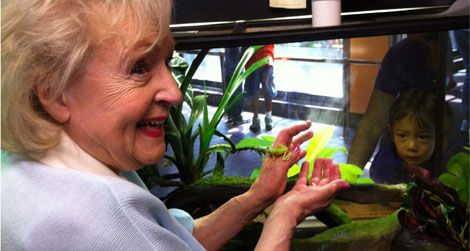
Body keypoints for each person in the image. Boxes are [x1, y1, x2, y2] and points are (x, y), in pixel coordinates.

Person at [1, 0, 349, 250]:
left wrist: (259, 197)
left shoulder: (46, 163)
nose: (173, 91)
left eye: (166, 61)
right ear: (54, 91)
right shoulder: (95, 219)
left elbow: (182, 239)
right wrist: (285, 216)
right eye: (139, 67)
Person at [347, 33, 442, 170]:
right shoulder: (403, 54)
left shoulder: (447, 42)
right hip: (396, 166)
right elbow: (372, 125)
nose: (411, 146)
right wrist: (347, 181)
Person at [369, 88, 452, 184]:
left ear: (439, 138)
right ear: (391, 134)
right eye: (402, 136)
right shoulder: (385, 163)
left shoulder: (443, 161)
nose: (411, 146)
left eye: (422, 137)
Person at [245, 44, 277, 133]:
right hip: (267, 59)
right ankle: (269, 120)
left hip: (252, 61)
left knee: (254, 92)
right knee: (267, 90)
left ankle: (256, 122)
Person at [223, 47, 250, 126]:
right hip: (235, 70)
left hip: (227, 69)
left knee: (229, 93)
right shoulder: (237, 46)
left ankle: (230, 116)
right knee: (237, 93)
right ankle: (237, 118)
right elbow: (241, 53)